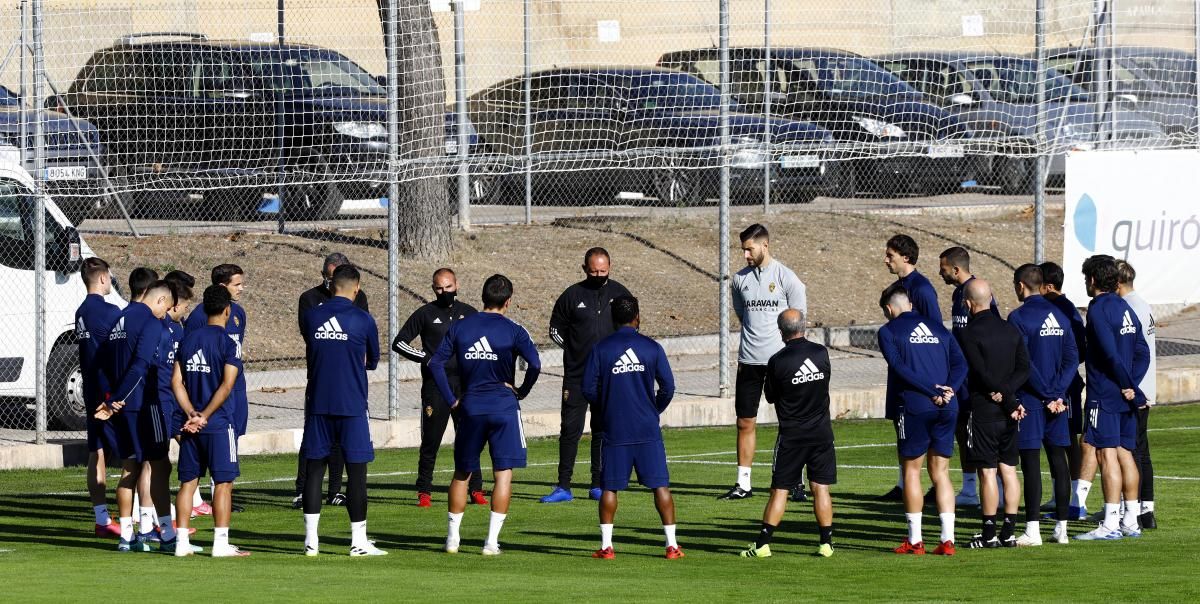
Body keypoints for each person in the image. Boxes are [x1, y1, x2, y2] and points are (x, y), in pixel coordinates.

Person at [430, 274, 541, 556]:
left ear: (482, 297)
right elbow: (536, 364)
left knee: (462, 473)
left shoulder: (461, 327)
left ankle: (452, 540)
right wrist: (521, 391)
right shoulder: (515, 330)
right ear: (508, 301)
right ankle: (491, 543)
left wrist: (452, 399)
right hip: (504, 407)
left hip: (471, 407)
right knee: (503, 475)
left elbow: (435, 363)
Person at [581, 295, 682, 560]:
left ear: (613, 320)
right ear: (637, 317)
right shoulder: (652, 347)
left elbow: (588, 388)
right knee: (660, 486)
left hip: (615, 429)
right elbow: (668, 388)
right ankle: (671, 546)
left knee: (609, 487)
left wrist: (606, 407)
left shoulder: (601, 349)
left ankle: (606, 547)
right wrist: (652, 410)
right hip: (647, 429)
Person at [299, 264, 385, 557]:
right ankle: (358, 543)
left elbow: (312, 348)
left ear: (331, 284)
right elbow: (372, 360)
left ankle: (311, 542)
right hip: (351, 405)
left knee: (314, 470)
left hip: (318, 403)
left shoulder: (312, 317)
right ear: (356, 288)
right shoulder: (363, 320)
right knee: (357, 473)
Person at [740, 309, 836, 559]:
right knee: (821, 488)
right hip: (822, 434)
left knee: (779, 490)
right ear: (804, 327)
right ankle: (826, 543)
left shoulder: (778, 361)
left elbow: (771, 396)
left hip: (792, 436)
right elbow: (824, 383)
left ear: (781, 331)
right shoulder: (820, 352)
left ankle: (762, 544)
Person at [877, 283, 965, 556]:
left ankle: (915, 541)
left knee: (912, 471)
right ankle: (947, 540)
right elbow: (961, 364)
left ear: (890, 309)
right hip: (948, 406)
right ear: (911, 305)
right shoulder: (939, 329)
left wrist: (930, 391)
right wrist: (949, 389)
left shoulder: (888, 331)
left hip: (915, 406)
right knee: (940, 473)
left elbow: (900, 367)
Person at [722, 224, 807, 501]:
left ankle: (795, 481)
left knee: (790, 421)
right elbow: (741, 313)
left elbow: (798, 319)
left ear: (765, 245)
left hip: (781, 363)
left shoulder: (787, 278)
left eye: (750, 248)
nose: (746, 254)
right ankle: (743, 484)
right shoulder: (739, 279)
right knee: (745, 421)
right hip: (749, 360)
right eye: (743, 249)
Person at [543, 247, 631, 503]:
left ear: (610, 268)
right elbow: (555, 330)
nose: (598, 275)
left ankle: (598, 483)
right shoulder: (572, 295)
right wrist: (574, 349)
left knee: (602, 429)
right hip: (577, 375)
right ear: (584, 269)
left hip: (608, 377)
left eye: (603, 271)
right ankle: (563, 486)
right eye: (593, 271)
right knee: (570, 428)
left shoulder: (620, 293)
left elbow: (631, 328)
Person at [392, 267, 486, 507]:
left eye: (448, 287)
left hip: (465, 387)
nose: (444, 292)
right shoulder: (425, 313)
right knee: (431, 440)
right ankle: (424, 491)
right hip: (436, 386)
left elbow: (483, 345)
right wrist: (426, 358)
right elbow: (399, 343)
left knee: (470, 438)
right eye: (439, 288)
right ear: (433, 289)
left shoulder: (470, 313)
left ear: (457, 285)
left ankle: (475, 489)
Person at [95, 278, 174, 552]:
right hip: (143, 405)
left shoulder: (120, 319)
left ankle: (126, 536)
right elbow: (141, 365)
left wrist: (111, 399)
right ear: (160, 300)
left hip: (121, 408)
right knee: (160, 467)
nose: (165, 315)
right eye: (167, 308)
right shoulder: (151, 322)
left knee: (130, 469)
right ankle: (165, 534)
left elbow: (101, 366)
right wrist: (117, 398)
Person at [1075, 255, 1150, 541]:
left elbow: (1108, 353)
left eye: (1085, 279)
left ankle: (1109, 524)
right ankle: (1131, 520)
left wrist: (1126, 384)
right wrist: (1133, 387)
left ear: (1093, 280)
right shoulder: (1125, 307)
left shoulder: (1098, 309)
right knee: (1125, 454)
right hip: (1124, 393)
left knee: (1106, 454)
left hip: (1105, 393)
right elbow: (1143, 351)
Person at [171, 285, 248, 557]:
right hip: (218, 424)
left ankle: (180, 543)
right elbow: (227, 386)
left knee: (188, 483)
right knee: (224, 483)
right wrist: (204, 415)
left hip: (190, 425)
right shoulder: (228, 343)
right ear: (227, 310)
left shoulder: (187, 340)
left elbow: (176, 383)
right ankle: (220, 543)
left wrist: (191, 412)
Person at [1008, 264, 1078, 545]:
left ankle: (1033, 529)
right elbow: (1072, 358)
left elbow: (1024, 363)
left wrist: (1048, 394)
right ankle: (1062, 529)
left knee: (1031, 462)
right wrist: (1059, 393)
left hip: (1033, 399)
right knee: (1059, 460)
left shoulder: (1018, 317)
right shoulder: (1060, 316)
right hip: (1059, 401)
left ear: (1021, 286)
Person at [957, 279, 1030, 549]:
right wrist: (1010, 397)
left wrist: (1000, 394)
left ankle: (988, 534)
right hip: (1010, 412)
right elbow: (1024, 368)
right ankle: (1008, 531)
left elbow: (979, 372)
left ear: (967, 303)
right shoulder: (1010, 330)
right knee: (1009, 470)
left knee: (987, 473)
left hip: (985, 409)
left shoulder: (967, 334)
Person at [293, 253, 369, 510]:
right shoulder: (311, 302)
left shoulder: (360, 306)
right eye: (328, 275)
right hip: (321, 384)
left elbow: (368, 355)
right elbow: (311, 339)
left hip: (348, 390)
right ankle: (301, 491)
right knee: (314, 450)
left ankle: (335, 490)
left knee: (343, 449)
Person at [879, 234, 942, 501]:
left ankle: (932, 486)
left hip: (918, 375)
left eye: (890, 255)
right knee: (901, 425)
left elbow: (935, 332)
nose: (886, 260)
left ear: (906, 257)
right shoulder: (898, 287)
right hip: (901, 371)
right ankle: (904, 483)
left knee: (921, 431)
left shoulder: (922, 289)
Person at [938, 246, 998, 507]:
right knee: (962, 430)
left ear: (955, 269)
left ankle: (990, 488)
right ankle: (970, 488)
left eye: (943, 269)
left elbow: (991, 330)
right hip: (962, 374)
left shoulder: (978, 292)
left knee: (977, 430)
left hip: (976, 375)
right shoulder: (957, 294)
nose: (940, 274)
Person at [74, 257, 123, 538]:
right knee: (134, 456)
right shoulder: (110, 310)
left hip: (91, 389)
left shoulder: (82, 310)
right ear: (103, 278)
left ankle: (102, 517)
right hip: (110, 392)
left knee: (97, 452)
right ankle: (143, 516)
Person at [1038, 261, 1089, 519]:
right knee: (1060, 441)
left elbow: (1079, 351)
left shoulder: (1066, 311)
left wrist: (1059, 375)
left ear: (1048, 286)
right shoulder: (1054, 308)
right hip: (1056, 385)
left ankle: (1076, 500)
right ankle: (1062, 495)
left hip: (1065, 386)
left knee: (1068, 441)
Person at [165, 270, 212, 519]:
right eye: (184, 304)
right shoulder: (164, 328)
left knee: (189, 448)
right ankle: (150, 508)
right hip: (167, 401)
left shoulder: (178, 328)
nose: (186, 309)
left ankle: (193, 499)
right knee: (157, 458)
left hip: (177, 402)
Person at [1116, 260, 1157, 530]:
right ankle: (1146, 510)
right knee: (1141, 450)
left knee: (1128, 451)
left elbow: (1132, 353)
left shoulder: (1128, 308)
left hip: (1135, 389)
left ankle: (1126, 510)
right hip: (1147, 386)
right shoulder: (1144, 304)